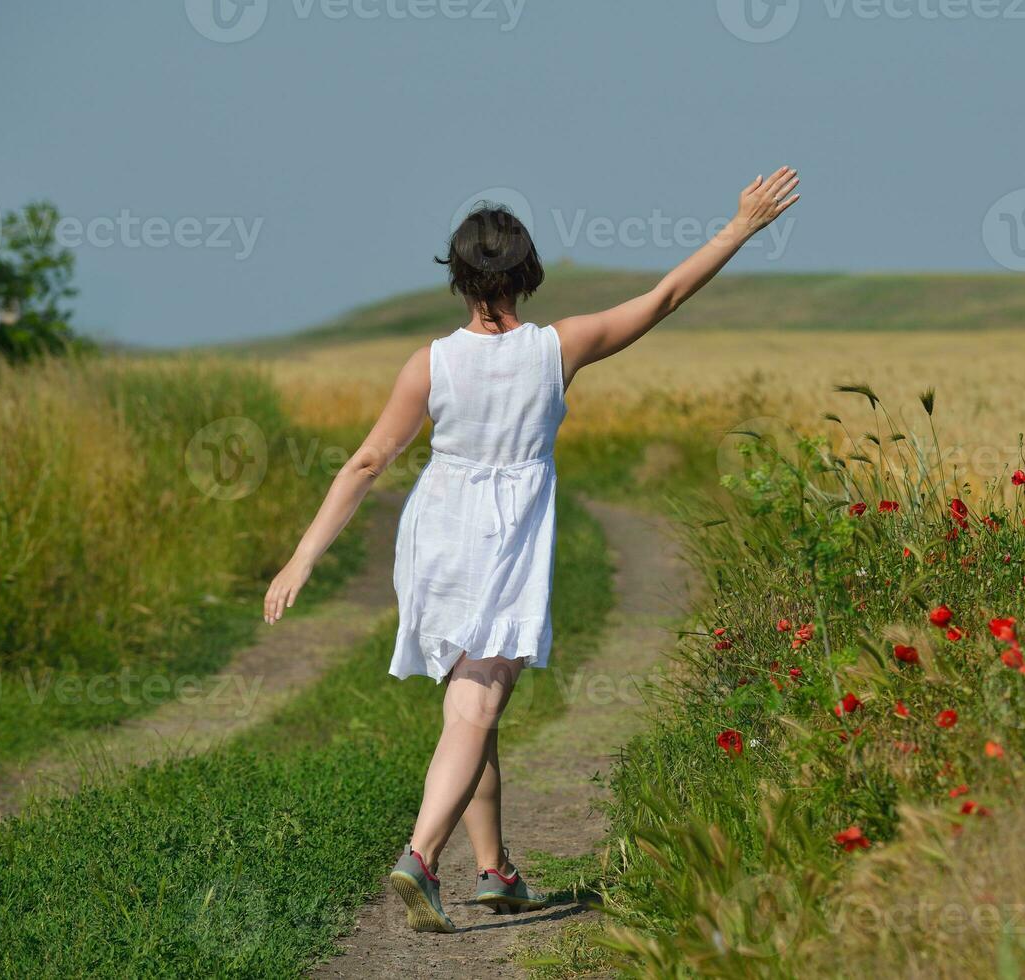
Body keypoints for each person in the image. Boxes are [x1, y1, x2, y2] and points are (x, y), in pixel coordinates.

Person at [263, 167, 800, 932]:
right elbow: (666, 296)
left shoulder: (429, 363)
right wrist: (739, 227)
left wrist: (303, 556)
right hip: (506, 536)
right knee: (478, 704)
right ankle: (420, 855)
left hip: (437, 532)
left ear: (458, 277)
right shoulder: (560, 346)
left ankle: (495, 871)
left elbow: (365, 463)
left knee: (469, 709)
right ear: (526, 274)